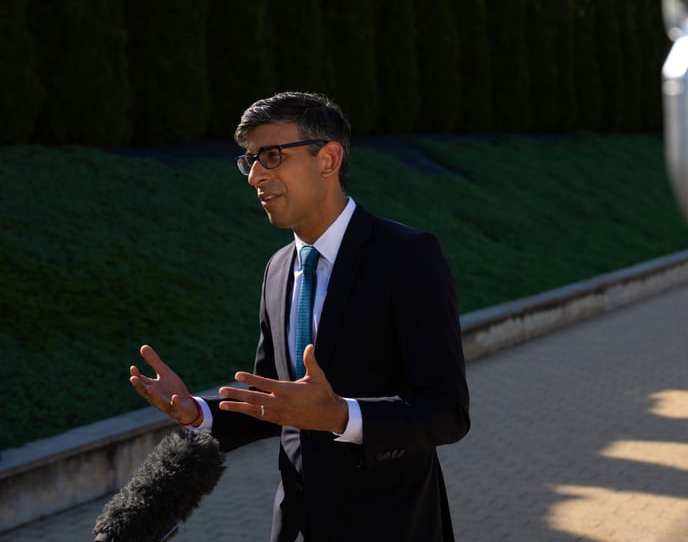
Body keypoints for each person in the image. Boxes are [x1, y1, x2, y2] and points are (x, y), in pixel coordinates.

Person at [129, 91, 471, 541]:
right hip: (296, 523)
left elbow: (446, 412)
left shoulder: (406, 256)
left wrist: (338, 416)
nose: (254, 176)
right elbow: (275, 403)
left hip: (392, 521)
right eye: (249, 160)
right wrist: (197, 413)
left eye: (271, 156)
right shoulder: (276, 269)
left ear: (328, 159)